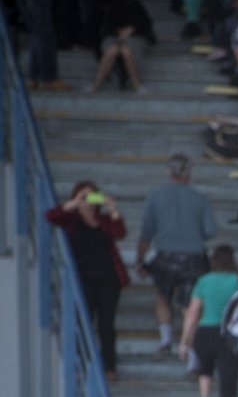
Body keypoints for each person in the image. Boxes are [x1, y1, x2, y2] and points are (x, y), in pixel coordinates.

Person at [45, 182, 128, 382]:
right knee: (84, 322)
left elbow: (120, 233)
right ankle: (82, 365)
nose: (89, 203)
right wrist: (74, 203)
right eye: (85, 197)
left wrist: (113, 208)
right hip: (84, 279)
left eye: (93, 197)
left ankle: (110, 367)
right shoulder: (72, 221)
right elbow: (51, 217)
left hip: (109, 279)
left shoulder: (104, 220)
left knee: (106, 324)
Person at [137, 155, 216, 359]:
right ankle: (191, 354)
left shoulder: (156, 196)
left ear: (168, 172)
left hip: (165, 256)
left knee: (163, 297)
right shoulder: (201, 198)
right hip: (194, 257)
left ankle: (165, 340)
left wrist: (140, 260)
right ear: (189, 172)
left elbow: (146, 233)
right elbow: (209, 231)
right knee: (190, 306)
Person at [179, 245, 238, 397]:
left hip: (205, 331)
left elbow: (192, 313)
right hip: (228, 333)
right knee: (228, 381)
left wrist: (184, 341)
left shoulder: (203, 281)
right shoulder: (237, 281)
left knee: (205, 369)